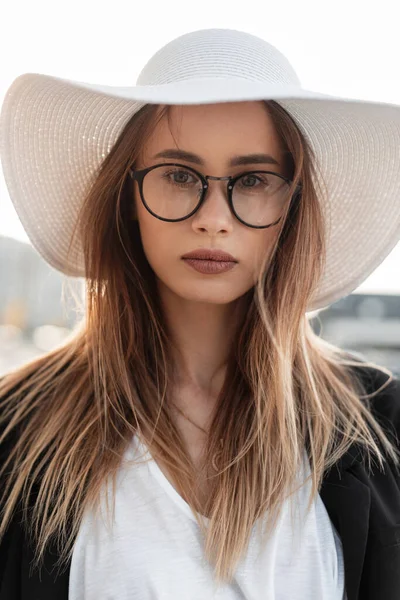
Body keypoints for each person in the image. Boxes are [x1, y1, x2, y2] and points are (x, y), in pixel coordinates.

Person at [0, 27, 400, 600]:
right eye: (180, 175)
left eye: (254, 180)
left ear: (293, 206)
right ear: (128, 197)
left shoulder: (384, 429)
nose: (214, 217)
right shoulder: (17, 429)